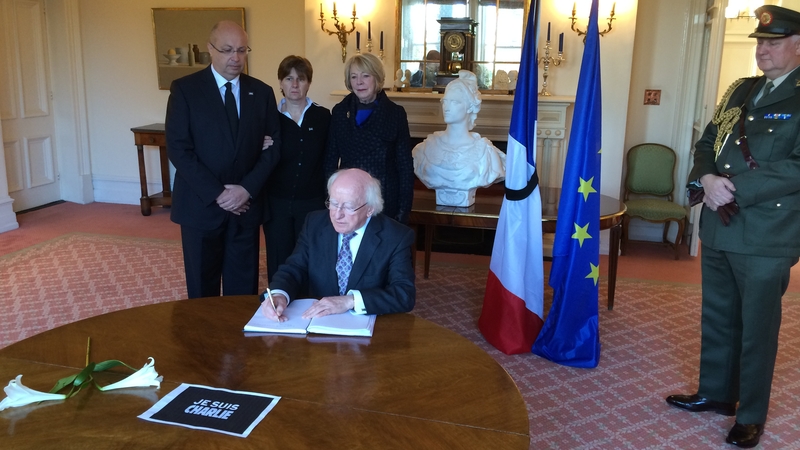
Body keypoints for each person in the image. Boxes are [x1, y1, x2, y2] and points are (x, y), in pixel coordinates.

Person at [666, 5, 800, 448]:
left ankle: (752, 414)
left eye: (773, 43)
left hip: (767, 232)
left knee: (757, 325)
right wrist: (705, 178)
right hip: (721, 225)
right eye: (760, 43)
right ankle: (717, 393)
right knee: (719, 316)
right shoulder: (741, 90)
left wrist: (735, 188)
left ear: (799, 46)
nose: (762, 50)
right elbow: (708, 142)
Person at [166, 20, 281, 298]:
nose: (236, 58)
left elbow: (274, 148)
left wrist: (246, 190)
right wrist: (218, 194)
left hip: (246, 207)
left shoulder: (262, 92)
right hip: (201, 206)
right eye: (228, 50)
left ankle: (240, 341)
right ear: (210, 49)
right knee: (202, 289)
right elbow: (179, 149)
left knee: (243, 289)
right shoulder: (185, 90)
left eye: (242, 50)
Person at [261, 168, 415, 321]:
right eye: (333, 203)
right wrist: (279, 294)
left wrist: (350, 301)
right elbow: (295, 268)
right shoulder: (315, 223)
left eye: (348, 207)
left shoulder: (395, 237)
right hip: (317, 322)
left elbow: (404, 294)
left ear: (370, 209)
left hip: (369, 328)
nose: (337, 214)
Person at [262, 56, 330, 282]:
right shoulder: (268, 119)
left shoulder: (323, 117)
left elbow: (330, 158)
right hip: (276, 202)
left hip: (312, 203)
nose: (294, 84)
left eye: (300, 79)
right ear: (280, 82)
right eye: (288, 78)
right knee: (279, 259)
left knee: (310, 258)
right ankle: (278, 305)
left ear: (308, 83)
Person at [325, 53, 414, 224]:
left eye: (365, 76)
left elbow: (405, 166)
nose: (359, 82)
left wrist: (404, 209)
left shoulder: (395, 114)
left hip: (385, 198)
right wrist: (331, 200)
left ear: (377, 79)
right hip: (348, 198)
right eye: (354, 77)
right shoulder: (340, 112)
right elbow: (330, 161)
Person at [412, 70, 505, 206]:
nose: (446, 107)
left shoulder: (486, 152)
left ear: (469, 107)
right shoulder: (423, 149)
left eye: (454, 102)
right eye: (445, 101)